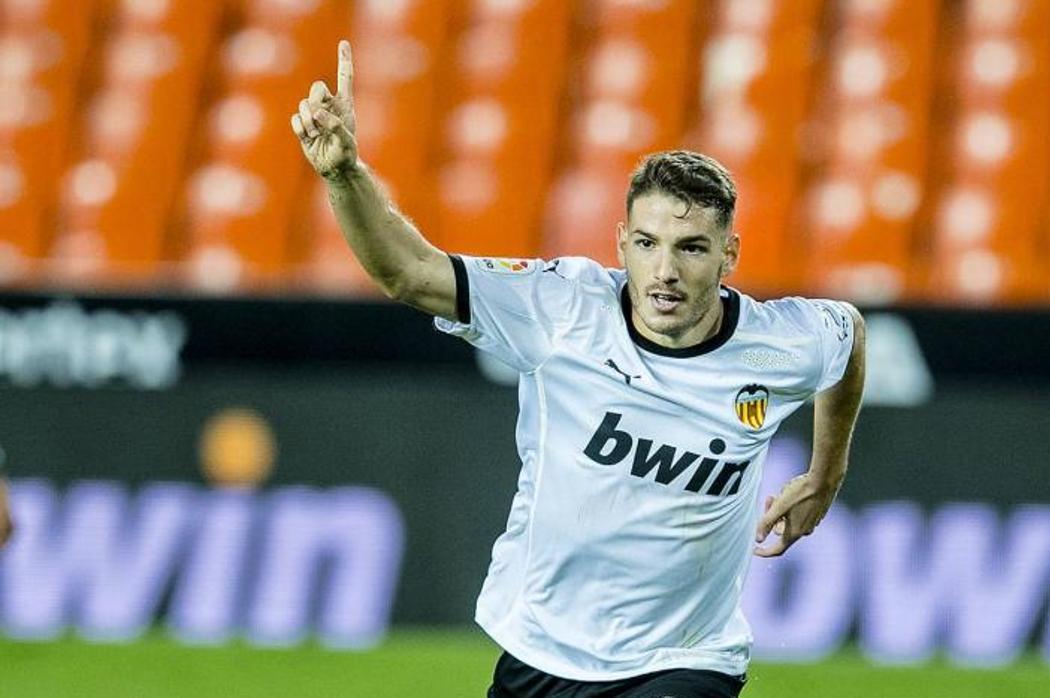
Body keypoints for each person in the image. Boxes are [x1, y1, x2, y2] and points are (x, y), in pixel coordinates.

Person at [292, 40, 866, 698]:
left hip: (686, 660)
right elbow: (409, 270)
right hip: (544, 648)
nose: (666, 271)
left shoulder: (777, 341)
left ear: (729, 252)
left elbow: (848, 339)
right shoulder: (560, 310)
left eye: (692, 248)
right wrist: (343, 175)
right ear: (621, 242)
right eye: (647, 244)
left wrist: (825, 476)